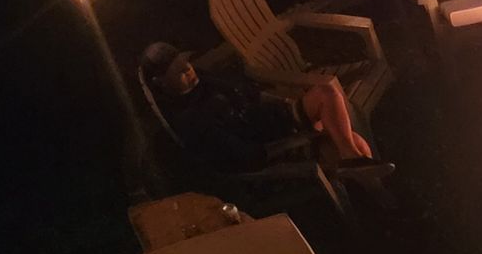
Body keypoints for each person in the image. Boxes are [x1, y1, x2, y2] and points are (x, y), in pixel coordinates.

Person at [139, 42, 374, 169]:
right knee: (351, 142)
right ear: (160, 82)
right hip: (272, 144)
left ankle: (357, 166)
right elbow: (247, 155)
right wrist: (303, 139)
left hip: (276, 120)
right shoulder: (191, 120)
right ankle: (375, 190)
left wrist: (287, 103)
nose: (189, 71)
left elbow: (250, 93)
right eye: (180, 72)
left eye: (187, 64)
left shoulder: (204, 80)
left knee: (326, 94)